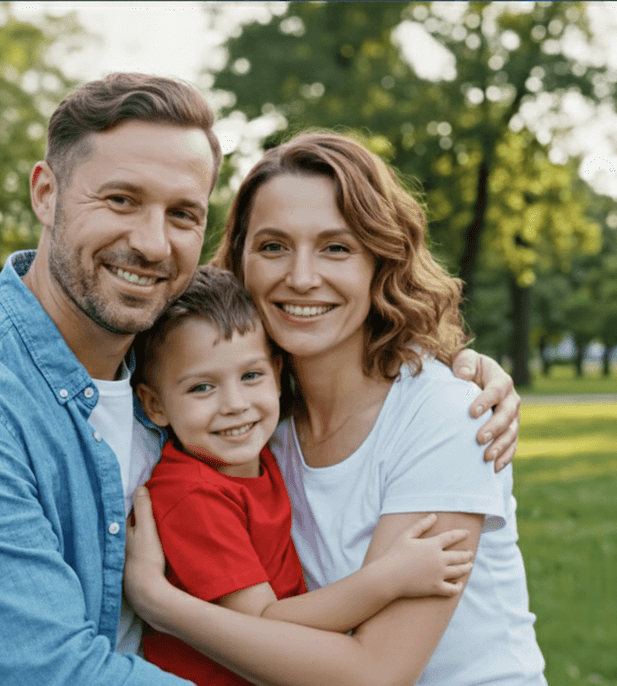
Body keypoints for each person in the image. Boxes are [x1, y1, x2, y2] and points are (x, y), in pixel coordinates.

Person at [0, 72, 519, 685]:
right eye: (121, 199)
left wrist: (458, 369)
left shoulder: (192, 392)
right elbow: (52, 672)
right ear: (46, 194)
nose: (152, 242)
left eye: (182, 214)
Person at [124, 132, 544, 686]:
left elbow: (376, 673)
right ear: (241, 262)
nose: (301, 278)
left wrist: (160, 604)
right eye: (273, 247)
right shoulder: (250, 421)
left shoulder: (448, 416)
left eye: (336, 248)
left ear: (381, 261)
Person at [132, 265, 475, 685]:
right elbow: (262, 621)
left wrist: (465, 364)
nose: (235, 404)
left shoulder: (257, 454)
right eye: (202, 387)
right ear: (155, 405)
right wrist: (389, 578)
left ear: (277, 376)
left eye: (251, 376)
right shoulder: (191, 494)